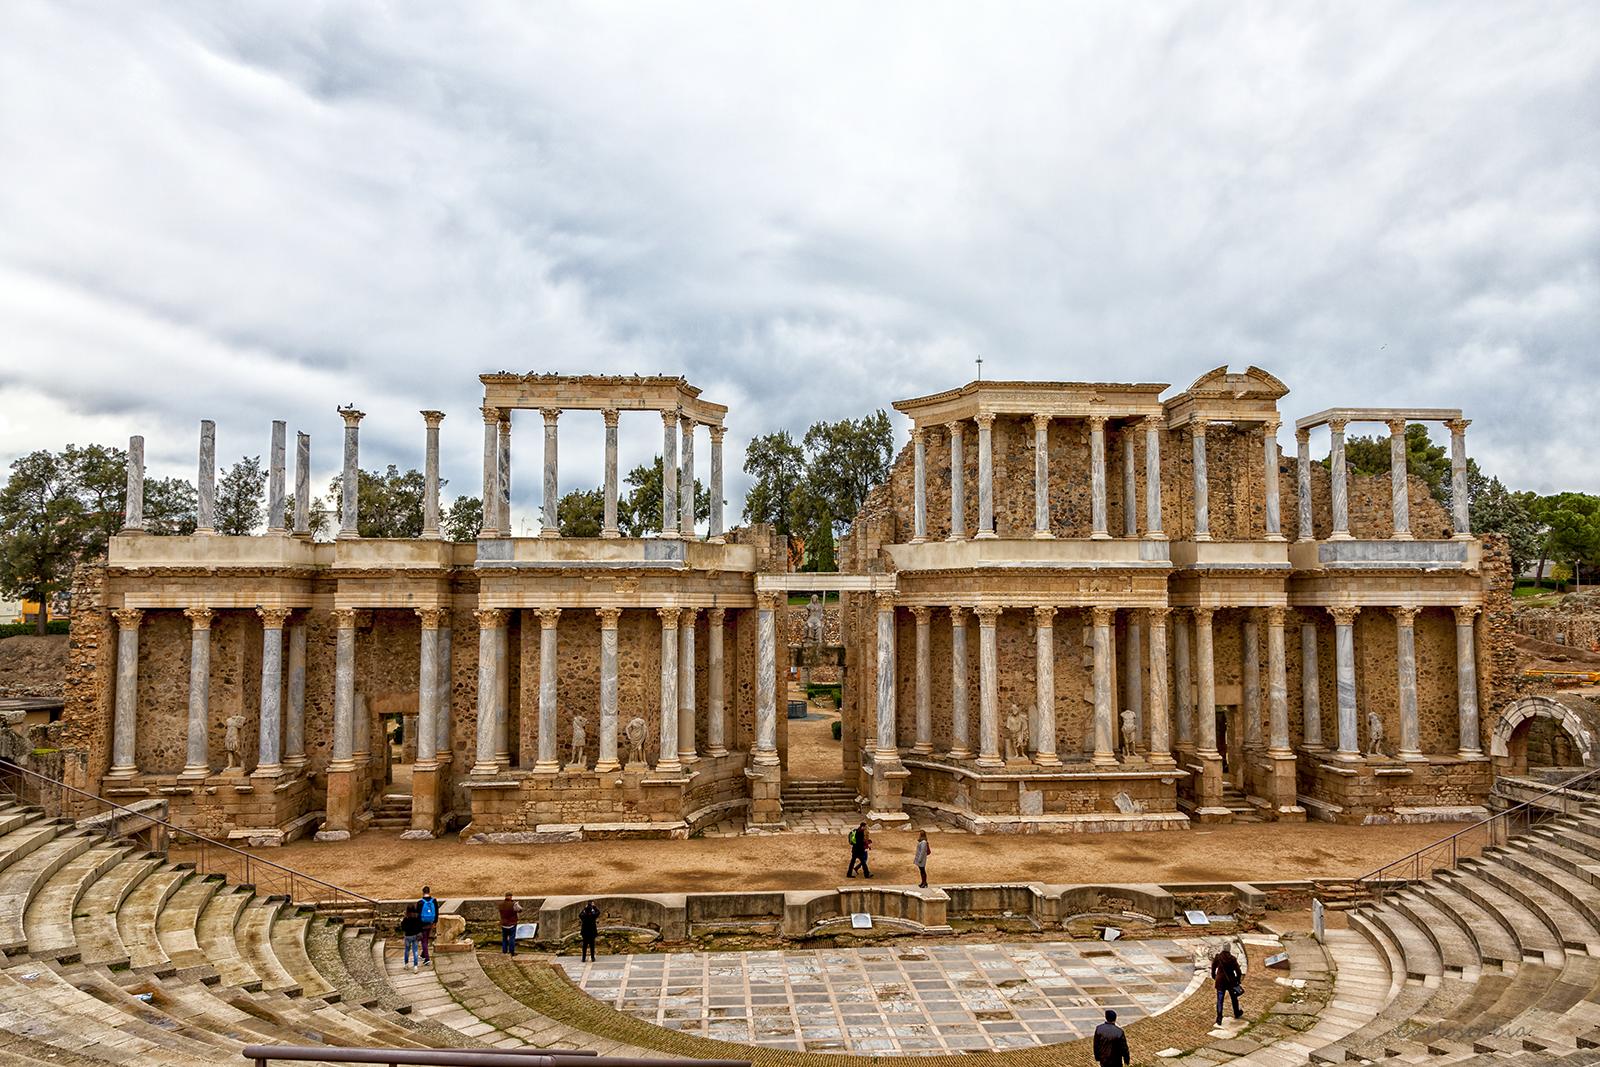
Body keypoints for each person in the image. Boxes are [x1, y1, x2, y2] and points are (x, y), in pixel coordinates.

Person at [1212, 944, 1244, 1025]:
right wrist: (1237, 980)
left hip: (1220, 982)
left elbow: (1213, 968)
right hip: (1231, 982)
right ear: (1229, 949)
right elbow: (1238, 972)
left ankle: (1219, 1018)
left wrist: (1214, 976)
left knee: (1220, 1000)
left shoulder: (1218, 957)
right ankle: (1236, 1012)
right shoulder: (1232, 959)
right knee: (1234, 998)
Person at [417, 885, 439, 967]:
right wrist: (435, 922)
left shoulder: (420, 902)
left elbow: (418, 916)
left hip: (422, 924)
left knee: (424, 941)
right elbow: (436, 912)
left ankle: (427, 959)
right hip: (430, 922)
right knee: (426, 939)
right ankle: (423, 954)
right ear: (429, 892)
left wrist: (417, 926)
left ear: (423, 892)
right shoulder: (434, 901)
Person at [399, 903, 424, 972]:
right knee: (415, 951)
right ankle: (415, 966)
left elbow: (403, 928)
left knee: (407, 950)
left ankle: (406, 964)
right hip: (415, 936)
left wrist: (401, 923)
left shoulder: (406, 918)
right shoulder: (417, 917)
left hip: (408, 936)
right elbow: (420, 927)